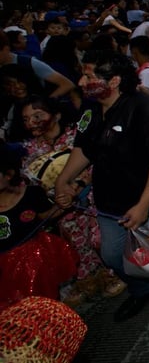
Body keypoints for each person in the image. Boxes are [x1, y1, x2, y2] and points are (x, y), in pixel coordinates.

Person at [54, 50, 149, 324]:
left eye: (89, 76)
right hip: (108, 203)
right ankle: (141, 291)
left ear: (114, 81)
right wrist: (63, 180)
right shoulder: (90, 107)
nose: (81, 82)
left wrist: (143, 206)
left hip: (143, 200)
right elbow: (84, 148)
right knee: (113, 255)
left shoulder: (143, 106)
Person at [18, 95, 125, 305]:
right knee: (73, 238)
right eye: (25, 119)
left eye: (37, 116)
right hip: (62, 205)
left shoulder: (77, 135)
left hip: (95, 194)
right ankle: (91, 278)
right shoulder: (29, 150)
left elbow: (99, 161)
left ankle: (116, 271)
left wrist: (78, 186)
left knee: (100, 238)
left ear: (56, 115)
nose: (31, 123)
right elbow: (30, 184)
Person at [0, 147, 77, 311]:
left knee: (44, 304)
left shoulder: (31, 194)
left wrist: (64, 203)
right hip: (4, 271)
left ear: (8, 174)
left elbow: (46, 216)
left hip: (37, 261)